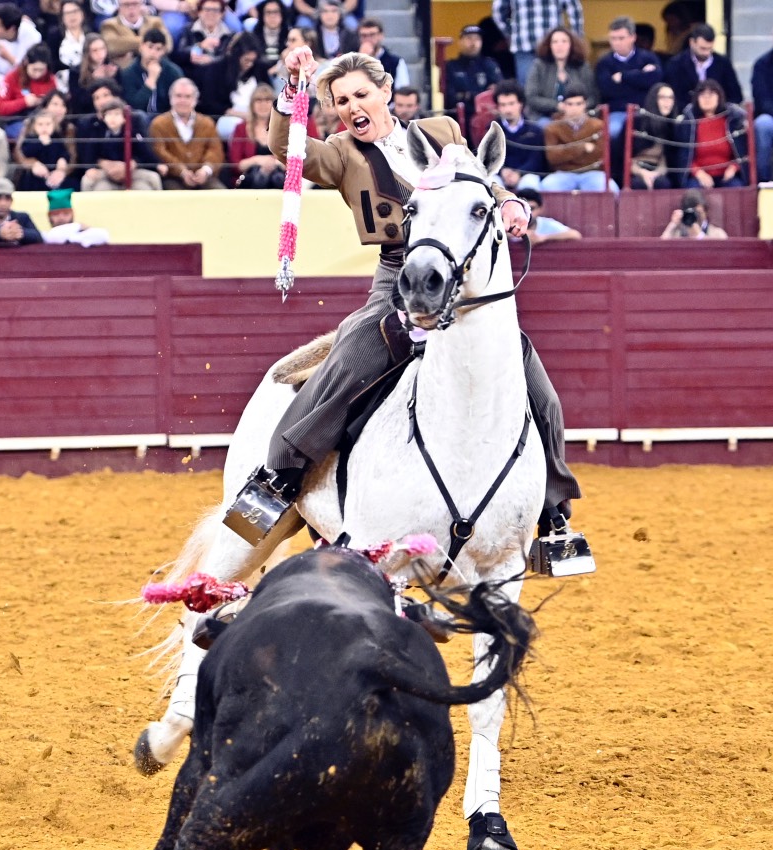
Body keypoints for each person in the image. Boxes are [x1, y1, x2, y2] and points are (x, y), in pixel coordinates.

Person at [229, 46, 587, 565]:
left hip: (462, 283)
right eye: (339, 100)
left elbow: (482, 181)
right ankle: (278, 481)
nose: (351, 107)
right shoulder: (341, 153)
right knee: (348, 363)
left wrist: (508, 201)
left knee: (540, 393)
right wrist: (292, 93)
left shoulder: (441, 132)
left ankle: (553, 518)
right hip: (397, 278)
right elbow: (288, 148)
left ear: (386, 92)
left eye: (360, 95)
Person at [595, 16, 662, 145]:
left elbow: (655, 81)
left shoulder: (648, 58)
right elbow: (608, 90)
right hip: (617, 112)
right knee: (613, 132)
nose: (617, 43)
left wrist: (624, 77)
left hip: (646, 111)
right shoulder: (604, 63)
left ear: (633, 37)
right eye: (613, 38)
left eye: (621, 38)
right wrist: (640, 77)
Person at [148, 76, 225, 188]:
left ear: (195, 100)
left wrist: (205, 170)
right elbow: (159, 151)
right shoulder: (158, 124)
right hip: (173, 178)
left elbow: (215, 150)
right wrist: (181, 171)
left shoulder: (207, 123)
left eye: (187, 97)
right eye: (178, 96)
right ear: (171, 99)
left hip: (204, 178)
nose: (183, 101)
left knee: (220, 194)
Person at [541, 84, 616, 192]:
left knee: (612, 189)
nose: (574, 108)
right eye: (570, 104)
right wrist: (582, 147)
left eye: (578, 104)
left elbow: (600, 155)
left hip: (592, 173)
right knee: (546, 186)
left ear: (585, 104)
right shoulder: (552, 128)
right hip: (563, 173)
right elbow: (553, 158)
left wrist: (565, 152)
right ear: (563, 105)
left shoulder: (599, 125)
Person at [677, 78, 748, 189]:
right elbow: (684, 155)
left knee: (736, 188)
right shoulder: (689, 122)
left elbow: (742, 151)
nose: (707, 98)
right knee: (692, 190)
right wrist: (698, 173)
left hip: (727, 176)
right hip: (699, 177)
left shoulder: (732, 120)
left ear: (719, 96)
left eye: (711, 94)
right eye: (702, 95)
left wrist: (733, 168)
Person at [491, 0, 584, 85]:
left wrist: (511, 32)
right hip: (534, 47)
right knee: (541, 89)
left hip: (542, 46)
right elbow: (575, 10)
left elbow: (498, 12)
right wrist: (574, 38)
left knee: (557, 87)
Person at [80, 96, 163, 188]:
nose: (112, 118)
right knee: (89, 181)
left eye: (116, 114)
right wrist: (92, 167)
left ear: (124, 118)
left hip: (131, 171)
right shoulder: (97, 132)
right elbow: (90, 154)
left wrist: (157, 165)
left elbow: (145, 151)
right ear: (103, 118)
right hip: (106, 172)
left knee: (153, 178)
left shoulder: (133, 132)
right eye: (109, 114)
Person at [663, 23, 743, 113]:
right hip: (685, 116)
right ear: (692, 42)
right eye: (703, 48)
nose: (706, 53)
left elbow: (736, 96)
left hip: (718, 115)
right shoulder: (676, 64)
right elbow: (671, 95)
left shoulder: (723, 64)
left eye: (710, 49)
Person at [524, 25, 595, 125]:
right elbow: (531, 97)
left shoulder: (582, 67)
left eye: (564, 41)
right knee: (547, 127)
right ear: (549, 45)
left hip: (578, 116)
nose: (559, 45)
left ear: (571, 45)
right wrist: (558, 106)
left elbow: (593, 97)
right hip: (544, 116)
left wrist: (577, 108)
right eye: (555, 42)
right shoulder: (538, 66)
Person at [174, 0, 233, 114]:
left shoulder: (229, 35)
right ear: (199, 12)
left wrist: (213, 61)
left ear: (222, 13)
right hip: (193, 74)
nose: (210, 14)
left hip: (219, 79)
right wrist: (199, 46)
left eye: (215, 10)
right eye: (207, 10)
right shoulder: (188, 30)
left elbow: (230, 58)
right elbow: (178, 54)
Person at [0, 3, 43, 103]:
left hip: (27, 81)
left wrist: (10, 59)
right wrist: (10, 84)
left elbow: (32, 69)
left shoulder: (32, 36)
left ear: (12, 29)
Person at [443, 24, 502, 132]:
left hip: (486, 119)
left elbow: (497, 93)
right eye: (469, 38)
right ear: (460, 41)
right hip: (459, 119)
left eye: (477, 39)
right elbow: (450, 98)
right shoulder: (451, 66)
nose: (473, 43)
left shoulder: (490, 65)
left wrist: (467, 95)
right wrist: (479, 95)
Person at [228, 82, 287, 186]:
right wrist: (257, 160)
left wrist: (274, 163)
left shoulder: (283, 128)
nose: (263, 104)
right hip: (249, 178)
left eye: (267, 100)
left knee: (276, 178)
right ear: (252, 104)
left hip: (278, 176)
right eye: (258, 100)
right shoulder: (241, 128)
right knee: (259, 178)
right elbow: (235, 165)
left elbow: (294, 162)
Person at [492, 79, 546, 190]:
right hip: (500, 175)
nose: (507, 109)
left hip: (527, 175)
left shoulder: (534, 130)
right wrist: (503, 171)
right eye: (503, 105)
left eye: (511, 104)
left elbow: (536, 160)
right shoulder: (491, 130)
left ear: (521, 104)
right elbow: (489, 157)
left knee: (530, 184)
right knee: (492, 184)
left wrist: (519, 173)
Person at [0, 42, 57, 135]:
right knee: (30, 133)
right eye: (34, 69)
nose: (37, 74)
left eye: (41, 70)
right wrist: (24, 102)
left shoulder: (50, 79)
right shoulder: (11, 78)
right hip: (18, 121)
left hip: (44, 120)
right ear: (26, 63)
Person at [120, 26, 184, 114]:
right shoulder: (128, 73)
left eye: (158, 49)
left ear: (163, 51)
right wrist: (151, 80)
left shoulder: (173, 72)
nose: (153, 52)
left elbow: (179, 103)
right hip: (138, 120)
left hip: (166, 119)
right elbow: (133, 106)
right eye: (150, 47)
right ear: (141, 47)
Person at [629, 82, 680, 189]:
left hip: (658, 170)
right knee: (639, 184)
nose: (667, 102)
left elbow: (666, 160)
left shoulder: (672, 126)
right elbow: (624, 158)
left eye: (671, 98)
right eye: (662, 97)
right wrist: (642, 173)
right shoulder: (636, 121)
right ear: (653, 99)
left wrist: (656, 173)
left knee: (663, 183)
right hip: (635, 169)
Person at [101, 0, 172, 69]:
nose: (131, 8)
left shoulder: (155, 22)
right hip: (124, 69)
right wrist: (150, 42)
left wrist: (127, 45)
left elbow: (168, 45)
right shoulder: (109, 25)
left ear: (141, 5)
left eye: (135, 4)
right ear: (119, 7)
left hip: (154, 65)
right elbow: (111, 46)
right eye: (126, 5)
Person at [16, 107, 71, 189]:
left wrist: (62, 160)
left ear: (54, 125)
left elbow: (64, 152)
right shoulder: (31, 138)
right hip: (34, 175)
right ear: (34, 126)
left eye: (48, 124)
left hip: (53, 173)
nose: (44, 128)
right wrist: (40, 143)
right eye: (40, 124)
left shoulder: (57, 138)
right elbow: (26, 152)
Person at [68, 33, 121, 115]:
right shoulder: (76, 72)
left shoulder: (113, 68)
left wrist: (110, 80)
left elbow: (120, 95)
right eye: (95, 50)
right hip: (87, 114)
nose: (100, 53)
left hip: (112, 112)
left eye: (102, 49)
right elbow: (78, 102)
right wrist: (94, 80)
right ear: (87, 52)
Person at [751, 22, 773, 184]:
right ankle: (764, 180)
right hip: (772, 117)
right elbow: (761, 100)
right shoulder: (762, 65)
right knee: (763, 124)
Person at [42, 186, 110, 244]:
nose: (61, 218)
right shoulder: (45, 236)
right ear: (49, 216)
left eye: (66, 213)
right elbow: (53, 236)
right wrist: (77, 226)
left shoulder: (84, 234)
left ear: (72, 214)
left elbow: (104, 235)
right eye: (56, 214)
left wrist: (73, 238)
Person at [356, 18, 408, 88]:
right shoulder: (353, 62)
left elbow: (402, 91)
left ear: (381, 35)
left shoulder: (395, 62)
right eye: (364, 36)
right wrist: (361, 60)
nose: (368, 39)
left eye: (372, 35)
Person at [660, 188, 727, 238]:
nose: (696, 217)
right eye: (693, 213)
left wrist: (699, 235)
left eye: (698, 213)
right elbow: (660, 251)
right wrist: (672, 225)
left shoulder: (718, 234)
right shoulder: (676, 234)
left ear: (706, 212)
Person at [45, 0, 88, 75]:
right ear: (62, 17)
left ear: (82, 13)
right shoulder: (55, 35)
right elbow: (52, 61)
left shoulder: (90, 33)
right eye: (67, 13)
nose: (72, 16)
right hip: (63, 76)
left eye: (75, 11)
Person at [250, 0, 290, 81]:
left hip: (283, 76)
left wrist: (278, 67)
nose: (272, 16)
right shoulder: (254, 35)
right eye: (268, 12)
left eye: (276, 12)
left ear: (282, 14)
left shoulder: (289, 34)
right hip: (259, 77)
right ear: (262, 15)